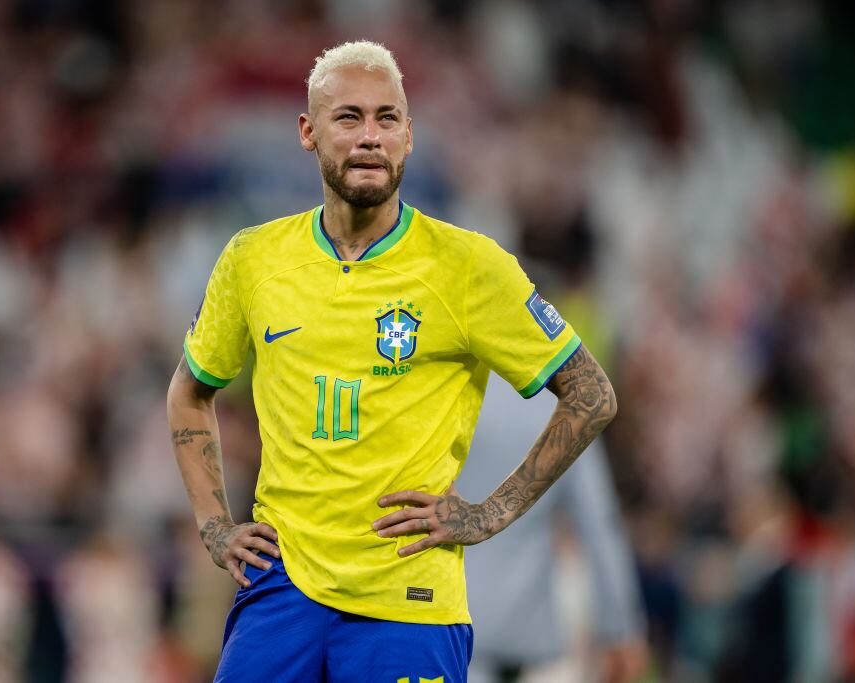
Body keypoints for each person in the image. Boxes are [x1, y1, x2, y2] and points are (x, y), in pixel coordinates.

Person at [166, 40, 617, 683]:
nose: (370, 136)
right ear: (308, 132)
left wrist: (489, 513)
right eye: (348, 118)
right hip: (282, 588)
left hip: (409, 600)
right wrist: (214, 527)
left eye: (387, 119)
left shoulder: (468, 267)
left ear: (410, 137)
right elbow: (189, 392)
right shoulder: (253, 260)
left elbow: (592, 395)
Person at [460, 373, 648, 683]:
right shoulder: (561, 404)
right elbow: (598, 524)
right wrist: (621, 628)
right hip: (518, 632)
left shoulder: (443, 389)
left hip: (439, 618)